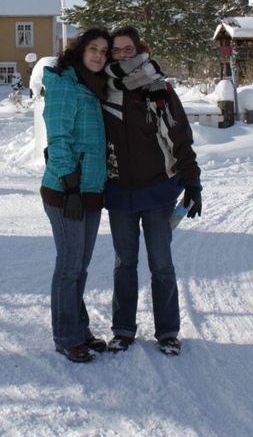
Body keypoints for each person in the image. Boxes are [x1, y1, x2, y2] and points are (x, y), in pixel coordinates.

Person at [101, 26, 202, 356]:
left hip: (158, 191)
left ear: (139, 49)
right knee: (124, 263)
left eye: (128, 49)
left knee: (161, 264)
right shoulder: (101, 91)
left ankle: (168, 331)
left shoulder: (158, 88)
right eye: (116, 50)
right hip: (118, 193)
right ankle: (123, 330)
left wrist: (192, 182)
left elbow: (179, 136)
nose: (122, 55)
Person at [40, 28, 111, 362]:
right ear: (79, 51)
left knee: (80, 267)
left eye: (104, 51)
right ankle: (66, 336)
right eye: (93, 48)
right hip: (66, 190)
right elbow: (59, 139)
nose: (98, 55)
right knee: (69, 267)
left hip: (91, 189)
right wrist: (70, 185)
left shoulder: (93, 87)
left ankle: (79, 329)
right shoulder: (65, 86)